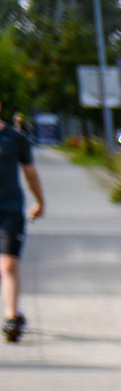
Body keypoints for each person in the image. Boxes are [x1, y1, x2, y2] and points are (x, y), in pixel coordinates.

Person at [1, 108, 41, 343]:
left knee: (7, 266)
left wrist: (40, 202)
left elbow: (31, 174)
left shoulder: (16, 139)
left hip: (10, 211)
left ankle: (12, 317)